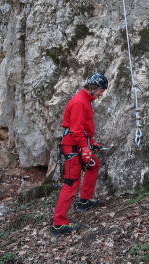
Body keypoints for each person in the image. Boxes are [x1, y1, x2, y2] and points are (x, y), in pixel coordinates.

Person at [51, 73, 108, 235]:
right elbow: (76, 130)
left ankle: (84, 201)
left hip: (77, 144)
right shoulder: (79, 102)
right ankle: (58, 224)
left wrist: (91, 144)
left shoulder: (85, 101)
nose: (101, 94)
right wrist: (84, 149)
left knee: (94, 165)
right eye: (101, 90)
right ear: (93, 87)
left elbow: (82, 129)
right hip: (72, 148)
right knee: (70, 184)